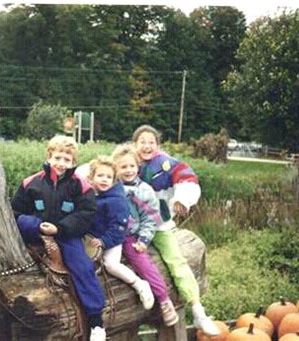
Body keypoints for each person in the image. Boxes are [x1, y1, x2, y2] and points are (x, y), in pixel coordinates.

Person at [11, 135, 106, 341]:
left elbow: (87, 213)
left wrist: (60, 228)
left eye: (67, 159)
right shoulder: (30, 183)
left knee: (82, 266)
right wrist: (36, 225)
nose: (61, 163)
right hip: (36, 232)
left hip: (66, 235)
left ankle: (96, 321)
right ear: (49, 156)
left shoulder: (80, 186)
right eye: (58, 158)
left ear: (73, 162)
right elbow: (15, 212)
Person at [132, 124, 220, 336]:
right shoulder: (126, 161)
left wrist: (183, 198)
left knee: (176, 262)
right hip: (131, 227)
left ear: (158, 145)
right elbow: (97, 171)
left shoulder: (168, 164)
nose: (146, 146)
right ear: (135, 144)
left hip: (159, 224)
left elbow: (188, 179)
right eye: (142, 142)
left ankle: (198, 311)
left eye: (151, 142)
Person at [111, 144, 179, 327]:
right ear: (115, 168)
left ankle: (164, 300)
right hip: (109, 235)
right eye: (123, 167)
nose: (128, 170)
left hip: (130, 236)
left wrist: (143, 240)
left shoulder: (144, 190)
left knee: (144, 263)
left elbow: (151, 219)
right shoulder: (110, 186)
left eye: (132, 166)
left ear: (138, 167)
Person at [86, 155, 155, 310]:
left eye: (109, 177)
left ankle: (139, 284)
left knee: (111, 264)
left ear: (114, 180)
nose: (104, 180)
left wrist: (104, 241)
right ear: (91, 178)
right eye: (100, 176)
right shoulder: (90, 194)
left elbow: (119, 227)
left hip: (112, 238)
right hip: (93, 237)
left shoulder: (116, 200)